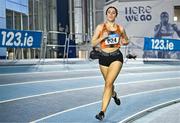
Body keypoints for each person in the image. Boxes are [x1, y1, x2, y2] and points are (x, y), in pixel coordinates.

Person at [91, 6, 129, 120]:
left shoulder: (120, 28)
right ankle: (114, 94)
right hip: (103, 58)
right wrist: (102, 37)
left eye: (113, 13)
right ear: (106, 14)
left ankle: (102, 112)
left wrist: (124, 41)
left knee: (107, 84)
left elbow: (126, 40)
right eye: (109, 12)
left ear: (116, 15)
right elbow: (93, 43)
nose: (111, 14)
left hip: (116, 57)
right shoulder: (100, 27)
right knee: (109, 85)